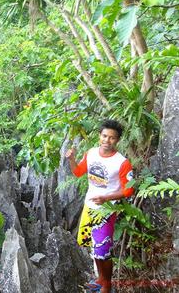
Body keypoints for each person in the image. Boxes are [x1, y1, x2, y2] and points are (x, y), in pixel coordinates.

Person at [65, 120, 135, 293]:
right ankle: (100, 279)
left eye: (112, 138)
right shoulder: (91, 153)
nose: (107, 140)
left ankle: (107, 284)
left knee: (103, 249)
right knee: (93, 246)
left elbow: (129, 190)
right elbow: (78, 172)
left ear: (117, 141)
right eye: (104, 136)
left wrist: (106, 198)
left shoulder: (122, 162)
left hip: (107, 210)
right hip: (89, 206)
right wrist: (71, 159)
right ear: (99, 136)